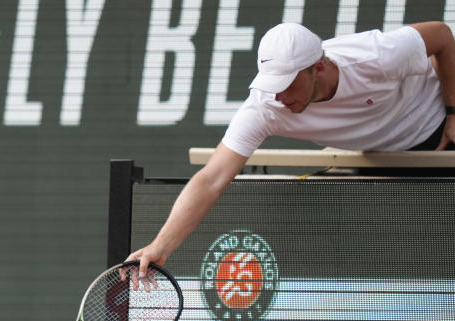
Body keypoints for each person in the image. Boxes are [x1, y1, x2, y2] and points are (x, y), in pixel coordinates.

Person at [127, 21, 455, 280]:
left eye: (287, 83)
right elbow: (212, 177)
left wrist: (454, 110)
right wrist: (160, 246)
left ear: (319, 68)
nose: (279, 96)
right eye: (273, 82)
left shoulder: (375, 56)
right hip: (386, 153)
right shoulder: (266, 105)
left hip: (441, 124)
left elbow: (441, 35)